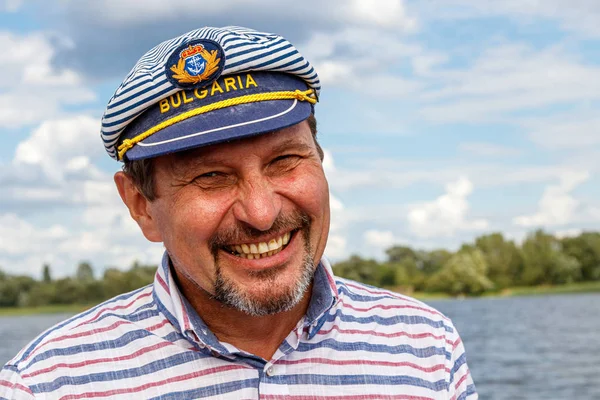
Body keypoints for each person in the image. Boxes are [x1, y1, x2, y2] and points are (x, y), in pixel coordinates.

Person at [0, 26, 477, 399]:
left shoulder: (425, 349)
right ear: (141, 206)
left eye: (285, 161)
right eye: (211, 177)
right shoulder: (48, 385)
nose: (262, 213)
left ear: (320, 159)